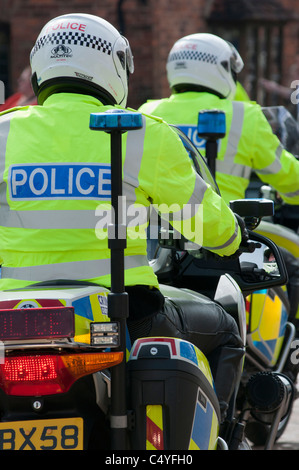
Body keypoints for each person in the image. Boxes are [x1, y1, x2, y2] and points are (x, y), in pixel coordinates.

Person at [0, 15, 245, 422]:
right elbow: (213, 232)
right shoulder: (140, 132)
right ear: (113, 66)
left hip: (16, 315)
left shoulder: (4, 133)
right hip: (127, 312)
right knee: (224, 328)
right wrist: (233, 236)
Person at [138, 32, 299, 328]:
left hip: (158, 250)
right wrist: (290, 195)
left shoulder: (147, 113)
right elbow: (289, 179)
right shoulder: (243, 115)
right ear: (222, 69)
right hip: (224, 241)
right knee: (290, 268)